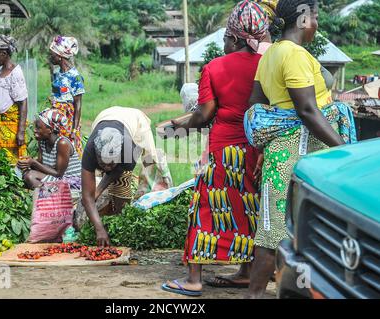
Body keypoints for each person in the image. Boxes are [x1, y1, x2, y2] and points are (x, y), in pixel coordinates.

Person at [244, 0, 357, 298]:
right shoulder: (293, 55)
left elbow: (256, 104)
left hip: (281, 154)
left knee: (273, 227)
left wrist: (272, 141)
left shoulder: (270, 56)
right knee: (281, 230)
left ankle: (259, 294)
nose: (317, 24)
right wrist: (346, 153)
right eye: (316, 17)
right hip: (301, 155)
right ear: (303, 19)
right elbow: (308, 111)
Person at [161, 0, 269, 296]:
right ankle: (246, 271)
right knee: (250, 208)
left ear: (234, 37)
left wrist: (178, 128)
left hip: (223, 151)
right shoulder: (269, 65)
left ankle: (194, 279)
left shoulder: (215, 67)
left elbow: (205, 114)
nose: (223, 42)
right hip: (257, 151)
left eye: (224, 37)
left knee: (204, 208)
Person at [81, 106, 173, 247]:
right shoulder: (90, 149)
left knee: (148, 165)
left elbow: (118, 171)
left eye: (112, 163)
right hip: (105, 115)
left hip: (136, 122)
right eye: (102, 164)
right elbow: (87, 195)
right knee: (98, 187)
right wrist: (99, 229)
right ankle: (109, 214)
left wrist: (99, 190)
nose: (107, 168)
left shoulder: (129, 149)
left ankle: (144, 203)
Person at [0, 35, 28, 165]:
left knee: (8, 163)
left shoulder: (15, 73)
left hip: (8, 128)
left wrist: (21, 132)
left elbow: (23, 102)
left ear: (3, 53)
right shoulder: (1, 72)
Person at [17, 109, 82, 190]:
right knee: (24, 173)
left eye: (38, 128)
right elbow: (41, 164)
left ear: (50, 130)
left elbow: (58, 173)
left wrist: (33, 163)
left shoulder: (62, 143)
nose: (34, 130)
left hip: (71, 182)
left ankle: (48, 198)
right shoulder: (42, 141)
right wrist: (27, 163)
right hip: (57, 178)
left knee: (30, 176)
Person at [49, 36, 85, 157]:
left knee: (69, 150)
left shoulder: (75, 77)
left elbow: (78, 105)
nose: (50, 57)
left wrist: (74, 130)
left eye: (52, 54)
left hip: (68, 121)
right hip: (55, 119)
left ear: (59, 56)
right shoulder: (57, 73)